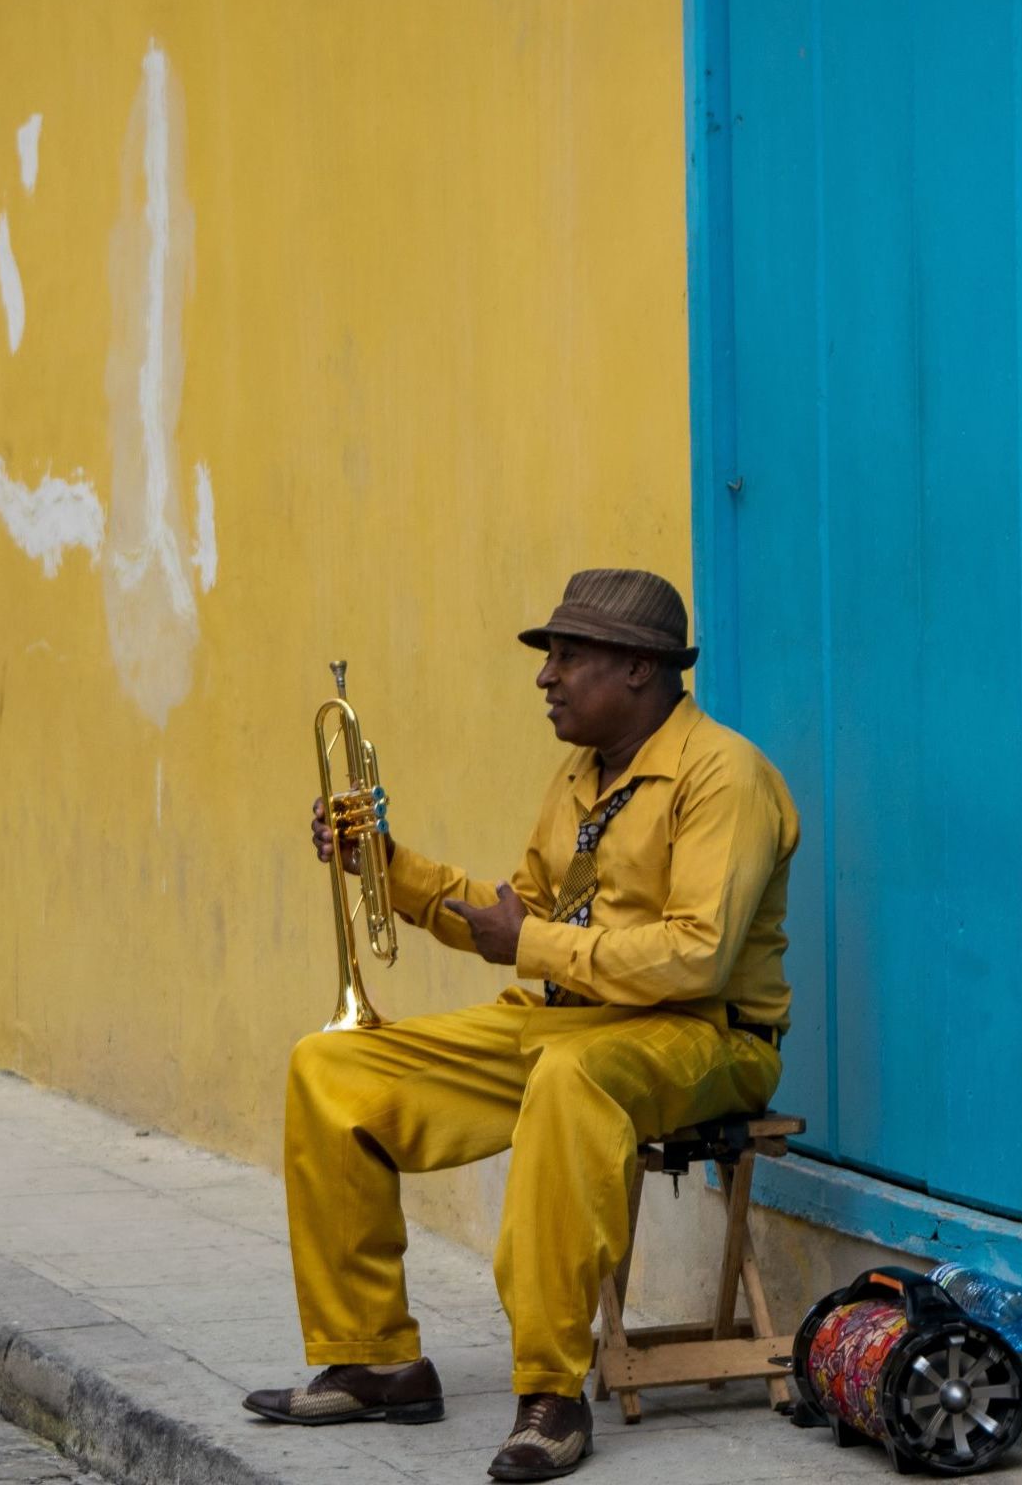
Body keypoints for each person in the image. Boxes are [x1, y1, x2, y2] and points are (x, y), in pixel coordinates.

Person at [244, 568, 799, 1481]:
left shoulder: (723, 777)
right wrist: (385, 867)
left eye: (567, 657)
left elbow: (695, 955)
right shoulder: (583, 773)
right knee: (331, 1068)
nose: (546, 677)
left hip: (705, 1036)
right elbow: (521, 914)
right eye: (551, 658)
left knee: (567, 1084)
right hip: (566, 1022)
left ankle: (551, 1389)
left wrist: (534, 943)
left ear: (638, 668)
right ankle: (376, 1357)